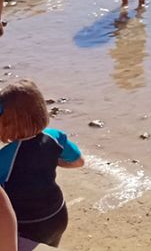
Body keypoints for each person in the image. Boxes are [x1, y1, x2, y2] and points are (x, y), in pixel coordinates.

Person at [0, 80, 84, 247]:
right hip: (57, 214)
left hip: (28, 224)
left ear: (7, 123)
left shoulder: (5, 157)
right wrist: (51, 160)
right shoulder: (55, 137)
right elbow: (78, 162)